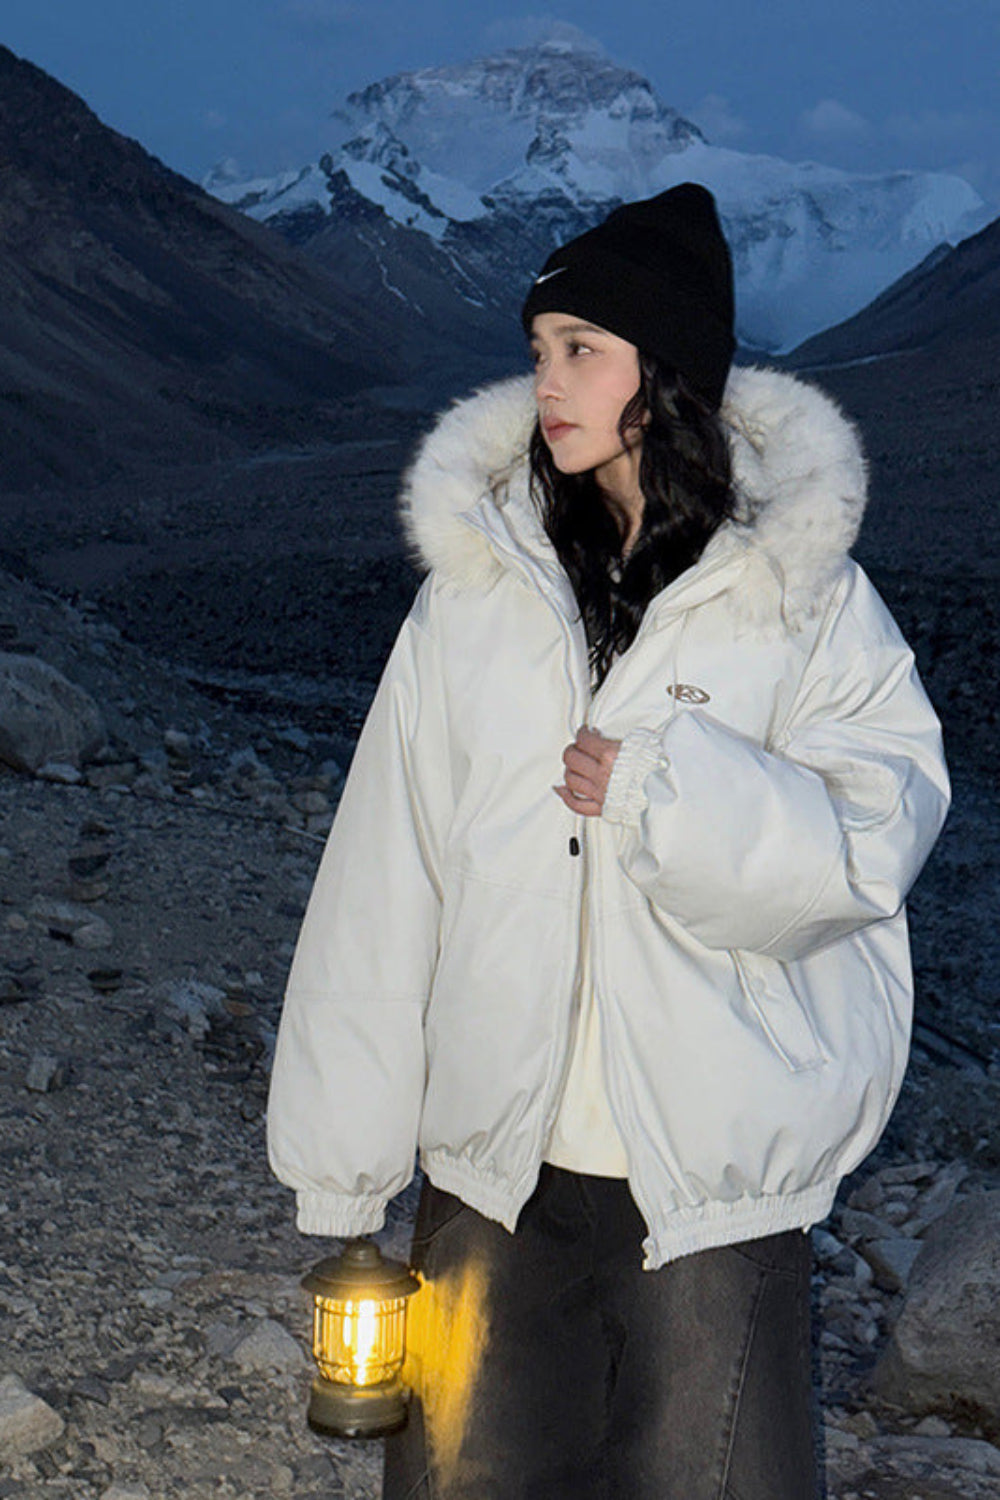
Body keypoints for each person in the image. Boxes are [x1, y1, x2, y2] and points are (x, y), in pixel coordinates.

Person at [267, 184, 950, 1499]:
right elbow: (383, 886)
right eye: (539, 350)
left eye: (585, 350)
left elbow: (873, 843)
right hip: (491, 1179)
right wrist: (344, 1191)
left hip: (707, 1187)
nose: (550, 382)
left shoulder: (803, 597)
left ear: (667, 373)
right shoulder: (471, 604)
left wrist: (667, 790)